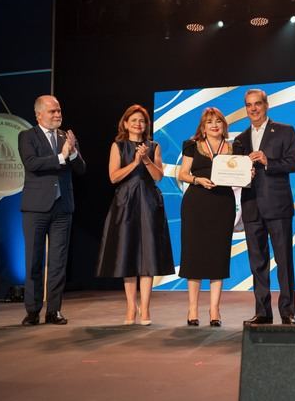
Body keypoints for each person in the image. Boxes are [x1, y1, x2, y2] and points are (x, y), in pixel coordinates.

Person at [96, 104, 174, 326]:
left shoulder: (153, 145)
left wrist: (147, 160)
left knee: (148, 254)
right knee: (127, 254)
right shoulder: (118, 145)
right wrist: (135, 162)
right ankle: (131, 306)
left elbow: (158, 177)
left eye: (142, 121)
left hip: (149, 203)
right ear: (125, 123)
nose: (138, 124)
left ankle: (146, 309)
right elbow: (113, 177)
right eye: (134, 120)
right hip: (126, 202)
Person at [233, 89, 295, 325]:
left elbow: (294, 164)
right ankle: (263, 311)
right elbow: (235, 174)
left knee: (284, 261)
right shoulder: (240, 140)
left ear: (266, 105)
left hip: (278, 206)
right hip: (251, 207)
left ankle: (287, 312)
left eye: (257, 104)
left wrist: (267, 162)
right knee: (257, 262)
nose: (253, 109)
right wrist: (245, 173)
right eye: (249, 105)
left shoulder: (285, 131)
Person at [18, 95, 86, 326]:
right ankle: (33, 310)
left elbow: (81, 169)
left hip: (62, 207)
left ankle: (54, 310)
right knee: (33, 261)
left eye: (59, 111)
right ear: (39, 115)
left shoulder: (65, 137)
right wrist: (61, 156)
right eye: (52, 111)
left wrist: (73, 151)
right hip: (36, 208)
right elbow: (32, 164)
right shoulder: (27, 136)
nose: (58, 115)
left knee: (58, 262)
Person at [178, 107, 236, 327]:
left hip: (223, 204)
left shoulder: (234, 147)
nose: (214, 125)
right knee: (194, 254)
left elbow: (239, 174)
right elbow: (182, 173)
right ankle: (192, 309)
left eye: (218, 122)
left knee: (217, 255)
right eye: (209, 122)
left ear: (223, 125)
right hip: (196, 204)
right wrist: (198, 180)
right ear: (202, 127)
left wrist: (246, 173)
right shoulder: (191, 146)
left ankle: (214, 310)